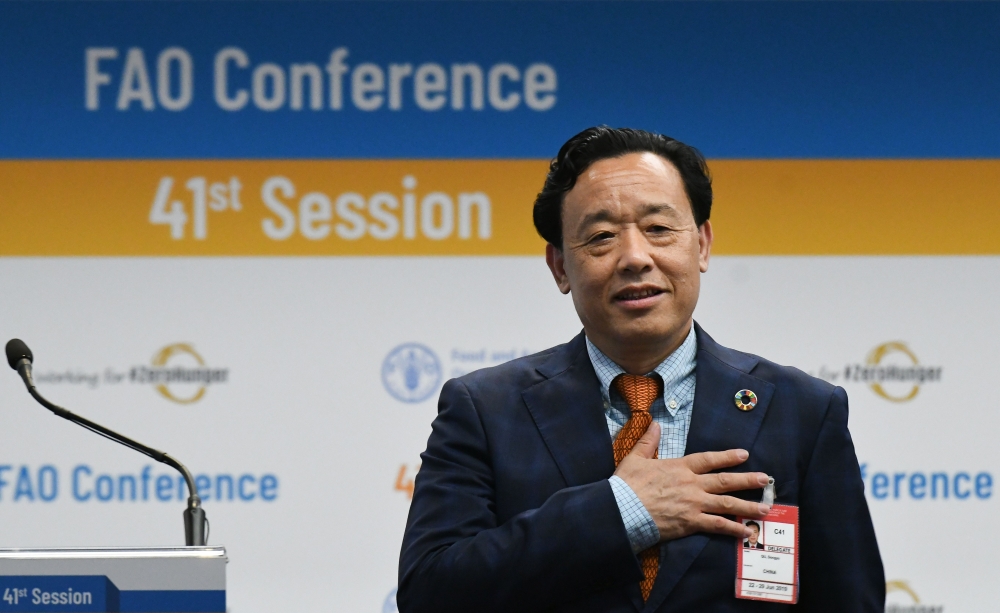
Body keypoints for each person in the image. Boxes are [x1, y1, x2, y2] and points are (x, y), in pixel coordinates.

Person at [398, 127, 884, 612]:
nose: (635, 257)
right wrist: (623, 510)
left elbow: (849, 600)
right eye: (601, 236)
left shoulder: (802, 411)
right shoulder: (485, 409)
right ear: (560, 266)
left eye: (658, 228)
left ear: (702, 245)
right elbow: (429, 593)